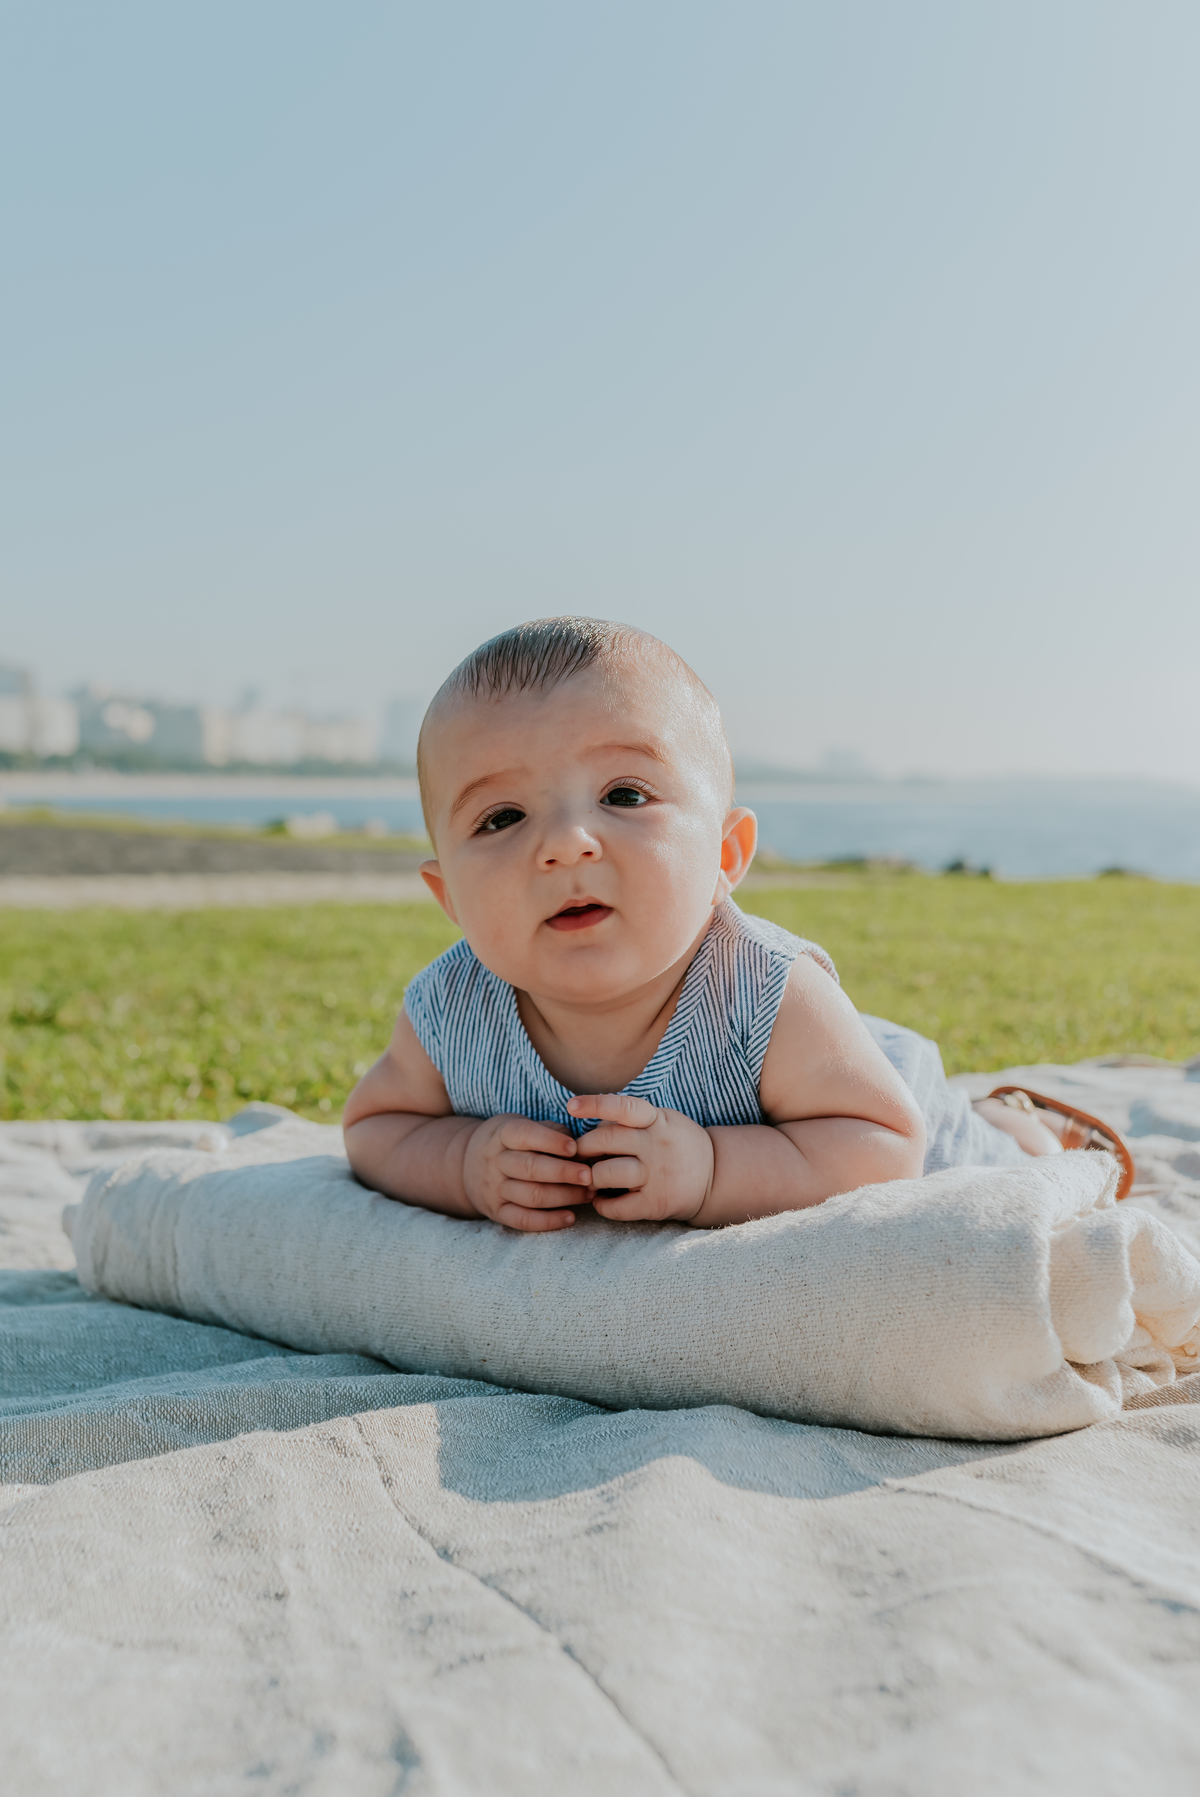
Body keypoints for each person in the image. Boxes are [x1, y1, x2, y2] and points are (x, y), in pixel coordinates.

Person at [344, 617, 1126, 1232]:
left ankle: (1010, 1118)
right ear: (448, 898)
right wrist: (464, 1163)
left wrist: (711, 1168)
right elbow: (378, 1127)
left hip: (873, 1093)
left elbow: (885, 1145)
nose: (565, 843)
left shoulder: (765, 991)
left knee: (999, 1155)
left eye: (623, 795)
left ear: (726, 854)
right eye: (502, 815)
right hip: (825, 1092)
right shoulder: (451, 1007)